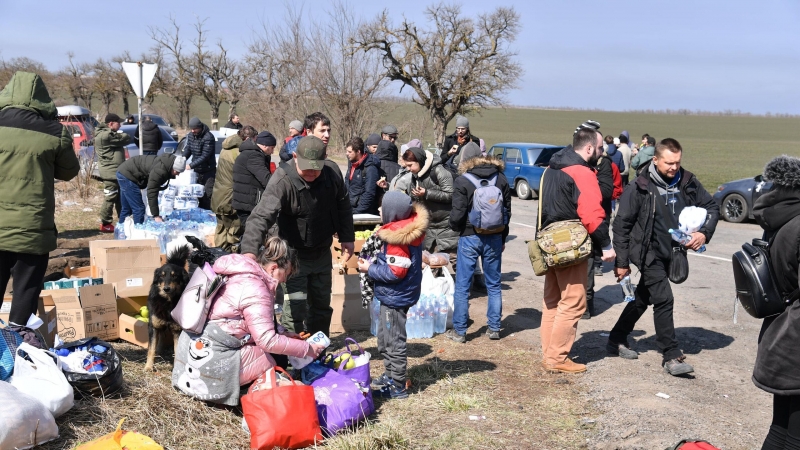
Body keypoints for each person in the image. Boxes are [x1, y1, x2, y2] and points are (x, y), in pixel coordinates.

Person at [607, 138, 718, 376]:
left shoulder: (687, 181)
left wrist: (704, 234)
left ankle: (615, 339)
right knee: (664, 299)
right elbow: (621, 226)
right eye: (669, 163)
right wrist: (622, 262)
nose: (674, 168)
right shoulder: (639, 186)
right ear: (655, 160)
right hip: (646, 251)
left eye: (677, 162)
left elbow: (711, 207)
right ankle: (671, 355)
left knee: (643, 297)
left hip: (674, 251)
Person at [240, 136, 354, 336]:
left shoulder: (332, 173)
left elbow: (343, 205)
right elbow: (260, 217)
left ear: (325, 159)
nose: (311, 173)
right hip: (293, 258)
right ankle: (294, 357)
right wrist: (249, 253)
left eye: (315, 168)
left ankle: (319, 351)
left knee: (321, 306)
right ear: (294, 156)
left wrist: (347, 237)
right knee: (295, 307)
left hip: (321, 252)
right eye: (306, 168)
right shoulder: (283, 179)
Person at [0, 71, 80, 337]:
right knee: (25, 292)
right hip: (33, 229)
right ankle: (15, 346)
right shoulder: (54, 132)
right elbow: (68, 171)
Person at [539, 127, 615, 374]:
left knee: (552, 301)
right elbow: (592, 215)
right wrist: (606, 245)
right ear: (590, 148)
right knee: (573, 302)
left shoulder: (552, 168)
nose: (603, 154)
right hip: (570, 246)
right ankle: (557, 358)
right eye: (601, 148)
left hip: (548, 243)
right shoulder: (582, 172)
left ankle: (549, 352)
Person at [209, 237, 326, 386]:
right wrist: (307, 349)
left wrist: (282, 332)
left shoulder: (248, 276)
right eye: (286, 274)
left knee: (279, 356)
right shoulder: (255, 288)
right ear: (273, 268)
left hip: (213, 343)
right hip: (218, 354)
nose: (285, 280)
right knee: (275, 361)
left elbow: (253, 320)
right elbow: (267, 340)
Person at [357, 191, 427, 399]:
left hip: (396, 297)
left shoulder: (398, 239)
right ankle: (390, 374)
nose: (379, 210)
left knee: (393, 341)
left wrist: (369, 269)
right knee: (384, 338)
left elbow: (396, 272)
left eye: (382, 207)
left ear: (392, 213)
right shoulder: (403, 230)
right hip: (395, 295)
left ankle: (397, 386)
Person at [751, 155, 800, 450]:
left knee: (780, 428)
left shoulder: (777, 219)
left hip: (778, 330)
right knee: (795, 438)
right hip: (796, 339)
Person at [446, 143, 511, 343]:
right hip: (494, 236)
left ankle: (460, 331)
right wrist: (502, 237)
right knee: (493, 284)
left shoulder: (462, 181)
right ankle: (494, 328)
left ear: (465, 160)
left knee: (463, 286)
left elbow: (456, 215)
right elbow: (507, 212)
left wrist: (457, 229)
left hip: (469, 236)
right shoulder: (500, 178)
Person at [399, 147, 458, 259]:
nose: (408, 169)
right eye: (406, 166)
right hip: (430, 225)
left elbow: (451, 194)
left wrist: (427, 193)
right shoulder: (415, 176)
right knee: (432, 262)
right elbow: (414, 198)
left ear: (420, 161)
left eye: (410, 165)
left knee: (455, 258)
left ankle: (470, 277)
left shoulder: (439, 171)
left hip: (447, 224)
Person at [211, 126, 257, 252]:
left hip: (218, 196)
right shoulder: (239, 153)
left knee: (220, 231)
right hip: (230, 198)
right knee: (234, 233)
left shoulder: (225, 149)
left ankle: (218, 259)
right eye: (254, 139)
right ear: (247, 138)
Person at [116, 154, 186, 224]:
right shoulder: (159, 171)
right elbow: (152, 192)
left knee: (127, 208)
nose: (178, 174)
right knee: (139, 209)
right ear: (172, 167)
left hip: (123, 171)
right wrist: (156, 215)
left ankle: (121, 233)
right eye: (177, 171)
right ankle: (137, 232)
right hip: (127, 175)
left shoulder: (166, 163)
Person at [232, 131, 277, 232]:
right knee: (252, 236)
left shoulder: (251, 153)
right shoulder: (254, 156)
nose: (273, 152)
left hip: (246, 202)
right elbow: (266, 179)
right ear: (265, 145)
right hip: (248, 204)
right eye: (272, 148)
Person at [95, 112, 132, 232]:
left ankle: (123, 220)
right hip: (110, 173)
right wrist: (122, 135)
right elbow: (126, 138)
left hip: (114, 172)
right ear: (111, 124)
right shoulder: (106, 136)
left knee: (119, 198)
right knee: (110, 197)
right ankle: (105, 223)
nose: (120, 126)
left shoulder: (107, 134)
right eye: (118, 123)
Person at [182, 117, 217, 210]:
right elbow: (188, 149)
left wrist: (191, 165)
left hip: (208, 171)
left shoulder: (208, 137)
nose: (193, 131)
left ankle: (208, 214)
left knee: (207, 194)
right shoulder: (190, 135)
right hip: (196, 171)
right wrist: (182, 159)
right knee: (196, 194)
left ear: (200, 127)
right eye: (191, 129)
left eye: (195, 129)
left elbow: (205, 156)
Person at [344, 137, 380, 215]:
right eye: (347, 151)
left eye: (350, 152)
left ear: (358, 152)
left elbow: (369, 193)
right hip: (349, 208)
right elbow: (347, 185)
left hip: (362, 213)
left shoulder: (370, 168)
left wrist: (357, 212)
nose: (347, 154)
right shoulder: (352, 163)